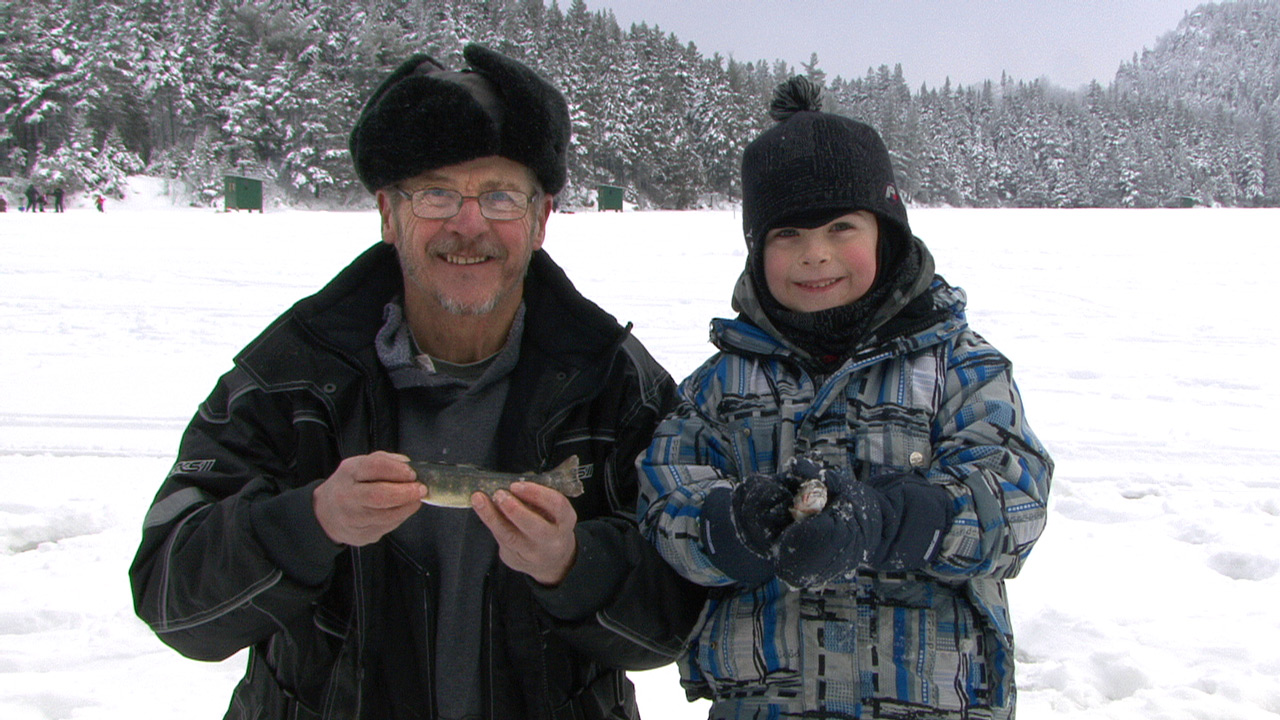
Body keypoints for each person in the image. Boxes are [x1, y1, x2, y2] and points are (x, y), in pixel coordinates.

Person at [130, 44, 704, 720]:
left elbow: (678, 613)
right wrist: (308, 523)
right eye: (436, 192)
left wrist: (574, 565)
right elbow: (172, 599)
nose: (468, 223)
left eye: (500, 195)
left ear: (540, 219)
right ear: (387, 213)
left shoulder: (616, 382)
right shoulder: (290, 374)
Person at [637, 77, 1053, 719]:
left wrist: (889, 522)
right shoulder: (717, 388)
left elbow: (1015, 501)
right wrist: (732, 527)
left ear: (886, 232)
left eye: (840, 227)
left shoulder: (961, 368)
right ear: (757, 248)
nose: (815, 255)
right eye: (787, 235)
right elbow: (665, 503)